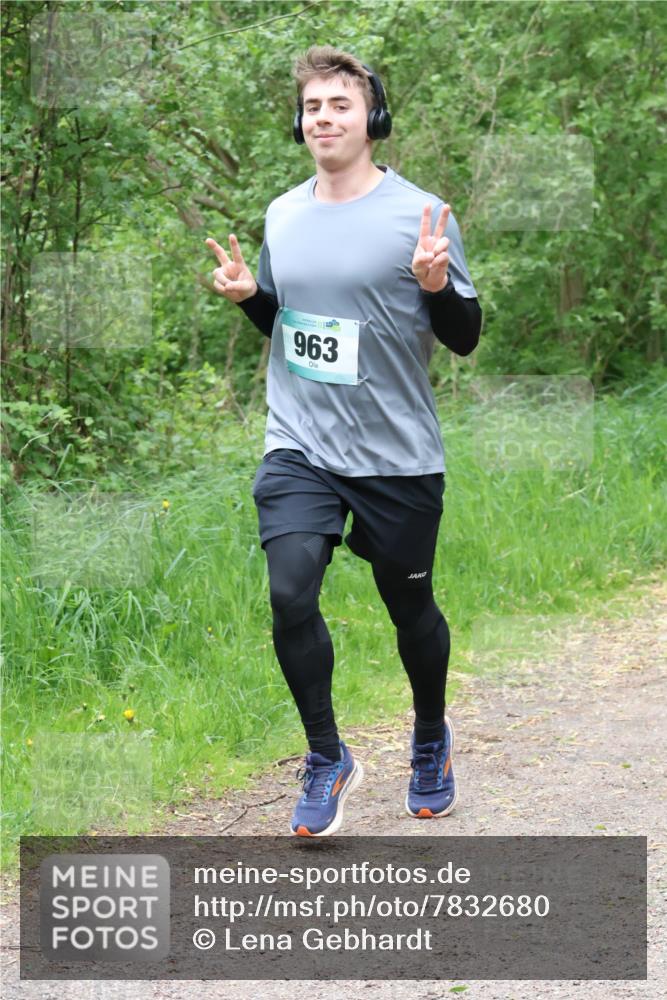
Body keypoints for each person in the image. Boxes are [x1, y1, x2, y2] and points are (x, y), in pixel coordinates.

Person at [205, 44, 481, 838]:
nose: (322, 118)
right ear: (300, 123)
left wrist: (435, 288)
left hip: (396, 453)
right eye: (312, 107)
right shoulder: (282, 215)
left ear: (373, 119)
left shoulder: (420, 216)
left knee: (409, 603)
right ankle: (327, 757)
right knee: (289, 591)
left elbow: (462, 338)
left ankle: (429, 735)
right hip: (299, 442)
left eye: (339, 105)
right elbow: (287, 329)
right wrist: (252, 296)